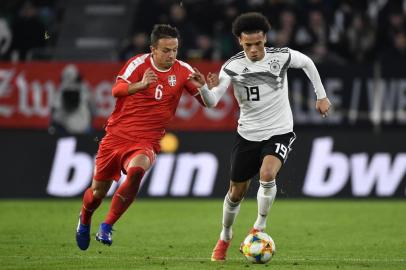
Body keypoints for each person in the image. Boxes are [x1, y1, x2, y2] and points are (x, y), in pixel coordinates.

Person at [190, 12, 331, 261]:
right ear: (239, 42)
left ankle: (259, 227)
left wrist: (321, 95)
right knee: (235, 193)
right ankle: (225, 236)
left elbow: (308, 62)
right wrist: (203, 86)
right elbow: (211, 102)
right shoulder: (232, 67)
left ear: (265, 38)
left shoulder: (281, 57)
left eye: (258, 43)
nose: (254, 50)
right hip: (247, 134)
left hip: (280, 130)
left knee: (267, 175)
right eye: (248, 45)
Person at [75, 24, 207, 251]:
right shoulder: (138, 64)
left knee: (137, 171)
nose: (171, 55)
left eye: (175, 49)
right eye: (166, 50)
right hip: (116, 136)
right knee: (97, 193)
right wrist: (141, 85)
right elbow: (116, 90)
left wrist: (206, 88)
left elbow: (206, 102)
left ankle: (107, 225)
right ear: (153, 50)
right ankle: (85, 219)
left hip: (147, 141)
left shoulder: (183, 70)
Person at [50, 64, 94, 135]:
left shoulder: (85, 89)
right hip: (66, 127)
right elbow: (54, 110)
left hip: (81, 127)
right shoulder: (61, 90)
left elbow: (93, 109)